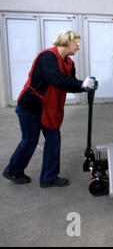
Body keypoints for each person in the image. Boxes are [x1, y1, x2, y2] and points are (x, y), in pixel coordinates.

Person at [3, 30, 98, 188]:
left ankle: (49, 177)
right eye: (77, 43)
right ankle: (13, 170)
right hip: (31, 107)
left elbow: (69, 83)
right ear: (67, 41)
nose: (78, 47)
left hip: (51, 108)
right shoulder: (47, 57)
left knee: (54, 141)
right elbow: (55, 78)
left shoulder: (69, 63)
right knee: (29, 141)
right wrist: (81, 83)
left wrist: (84, 87)